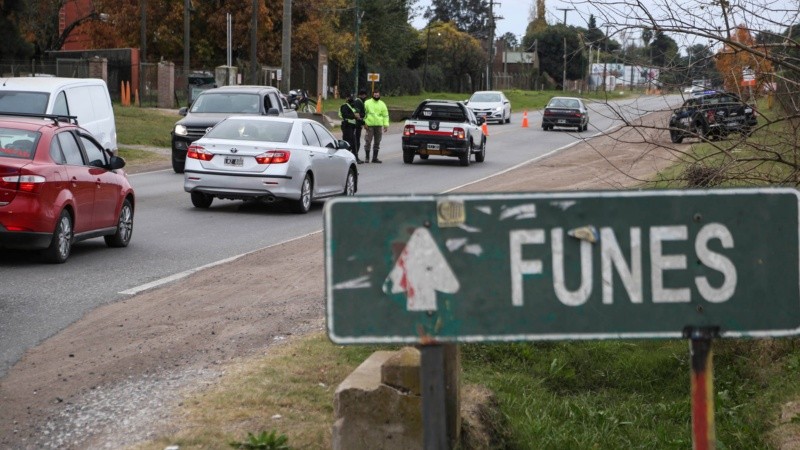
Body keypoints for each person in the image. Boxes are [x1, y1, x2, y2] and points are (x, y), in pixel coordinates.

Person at [363, 89, 389, 163]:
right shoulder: (367, 103)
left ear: (379, 95)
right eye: (375, 95)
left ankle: (375, 158)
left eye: (378, 95)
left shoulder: (382, 104)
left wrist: (386, 125)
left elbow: (385, 115)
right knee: (368, 141)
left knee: (377, 142)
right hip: (369, 125)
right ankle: (367, 157)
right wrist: (364, 123)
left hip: (378, 126)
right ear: (372, 95)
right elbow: (363, 114)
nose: (376, 96)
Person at [338, 95, 362, 163]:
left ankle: (355, 158)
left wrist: (360, 120)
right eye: (349, 97)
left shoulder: (352, 107)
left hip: (352, 127)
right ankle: (345, 159)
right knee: (348, 143)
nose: (351, 99)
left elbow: (356, 116)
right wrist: (354, 116)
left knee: (354, 143)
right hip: (347, 126)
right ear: (346, 98)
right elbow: (344, 115)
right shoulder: (345, 106)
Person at [352, 89, 368, 162]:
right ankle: (355, 157)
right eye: (363, 95)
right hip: (356, 125)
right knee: (356, 141)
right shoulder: (358, 102)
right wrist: (363, 123)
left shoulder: (360, 102)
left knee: (356, 141)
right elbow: (357, 115)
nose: (364, 96)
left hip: (358, 125)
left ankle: (355, 156)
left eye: (365, 95)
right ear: (360, 95)